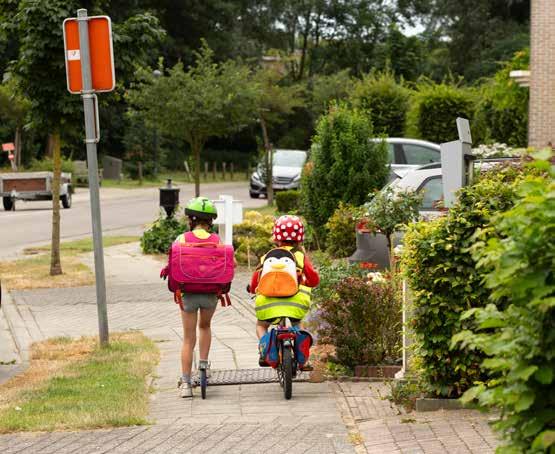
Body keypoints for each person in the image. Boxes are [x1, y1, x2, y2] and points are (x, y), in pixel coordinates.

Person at [249, 215, 319, 351]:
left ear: (276, 237)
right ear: (300, 237)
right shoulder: (300, 257)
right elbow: (313, 279)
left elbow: (255, 279)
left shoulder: (267, 256)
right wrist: (310, 283)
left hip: (268, 304)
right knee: (298, 324)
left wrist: (252, 289)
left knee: (261, 325)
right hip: (295, 303)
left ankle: (266, 349)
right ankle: (302, 354)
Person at [173, 197, 220, 398]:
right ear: (210, 221)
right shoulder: (216, 240)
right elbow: (230, 264)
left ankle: (186, 384)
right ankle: (203, 367)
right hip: (210, 294)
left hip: (188, 294)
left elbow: (173, 264)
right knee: (205, 327)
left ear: (191, 220)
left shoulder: (182, 239)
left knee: (188, 337)